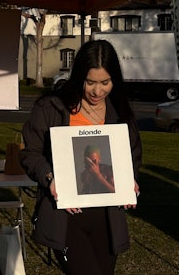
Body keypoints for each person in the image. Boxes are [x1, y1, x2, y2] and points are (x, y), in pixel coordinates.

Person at [19, 39, 142, 275]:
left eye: (105, 82)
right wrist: (50, 178)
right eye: (90, 82)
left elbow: (133, 154)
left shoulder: (121, 112)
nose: (97, 91)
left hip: (107, 220)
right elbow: (30, 152)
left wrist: (130, 179)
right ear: (78, 77)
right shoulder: (52, 108)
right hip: (65, 218)